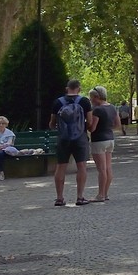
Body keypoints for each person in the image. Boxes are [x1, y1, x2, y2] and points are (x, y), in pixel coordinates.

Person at [50, 79, 96, 207]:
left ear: (67, 88)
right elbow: (90, 121)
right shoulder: (84, 102)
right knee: (81, 167)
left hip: (63, 139)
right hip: (80, 138)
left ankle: (59, 198)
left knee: (60, 167)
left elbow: (52, 123)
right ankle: (80, 197)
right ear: (79, 89)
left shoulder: (58, 102)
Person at [88, 86, 120, 201]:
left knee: (101, 169)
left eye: (91, 98)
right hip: (110, 139)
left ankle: (100, 194)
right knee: (108, 168)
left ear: (97, 97)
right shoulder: (112, 107)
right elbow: (117, 124)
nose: (91, 100)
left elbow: (92, 128)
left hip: (99, 140)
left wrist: (86, 124)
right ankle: (105, 193)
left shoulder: (97, 110)